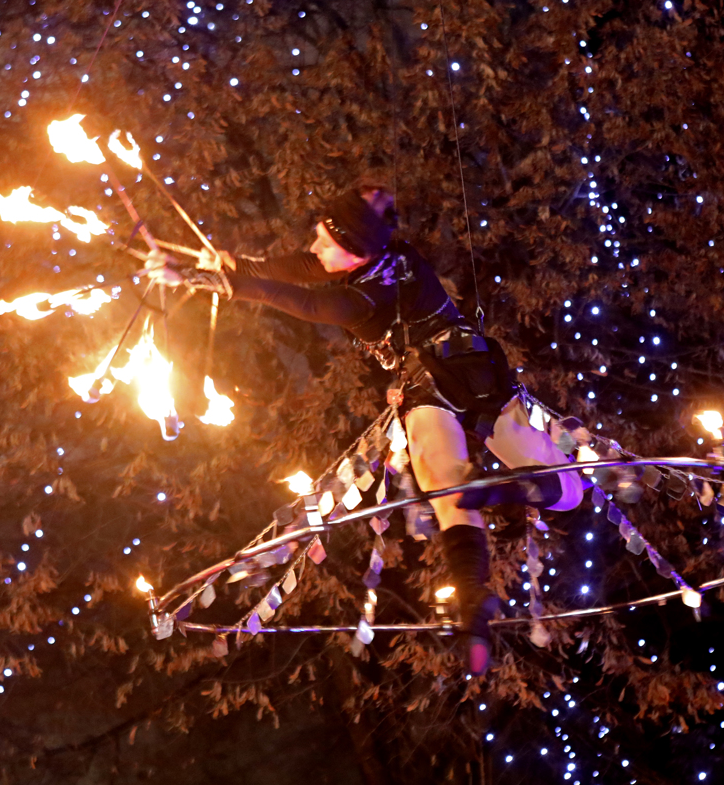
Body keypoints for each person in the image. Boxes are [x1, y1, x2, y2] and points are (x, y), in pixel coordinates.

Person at [149, 182, 583, 674]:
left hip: (429, 384)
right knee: (568, 490)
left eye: (323, 240)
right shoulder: (393, 255)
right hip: (479, 368)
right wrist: (233, 265)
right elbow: (301, 267)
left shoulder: (363, 298)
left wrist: (213, 281)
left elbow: (309, 302)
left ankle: (475, 577)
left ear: (352, 249)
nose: (313, 247)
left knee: (446, 489)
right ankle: (476, 592)